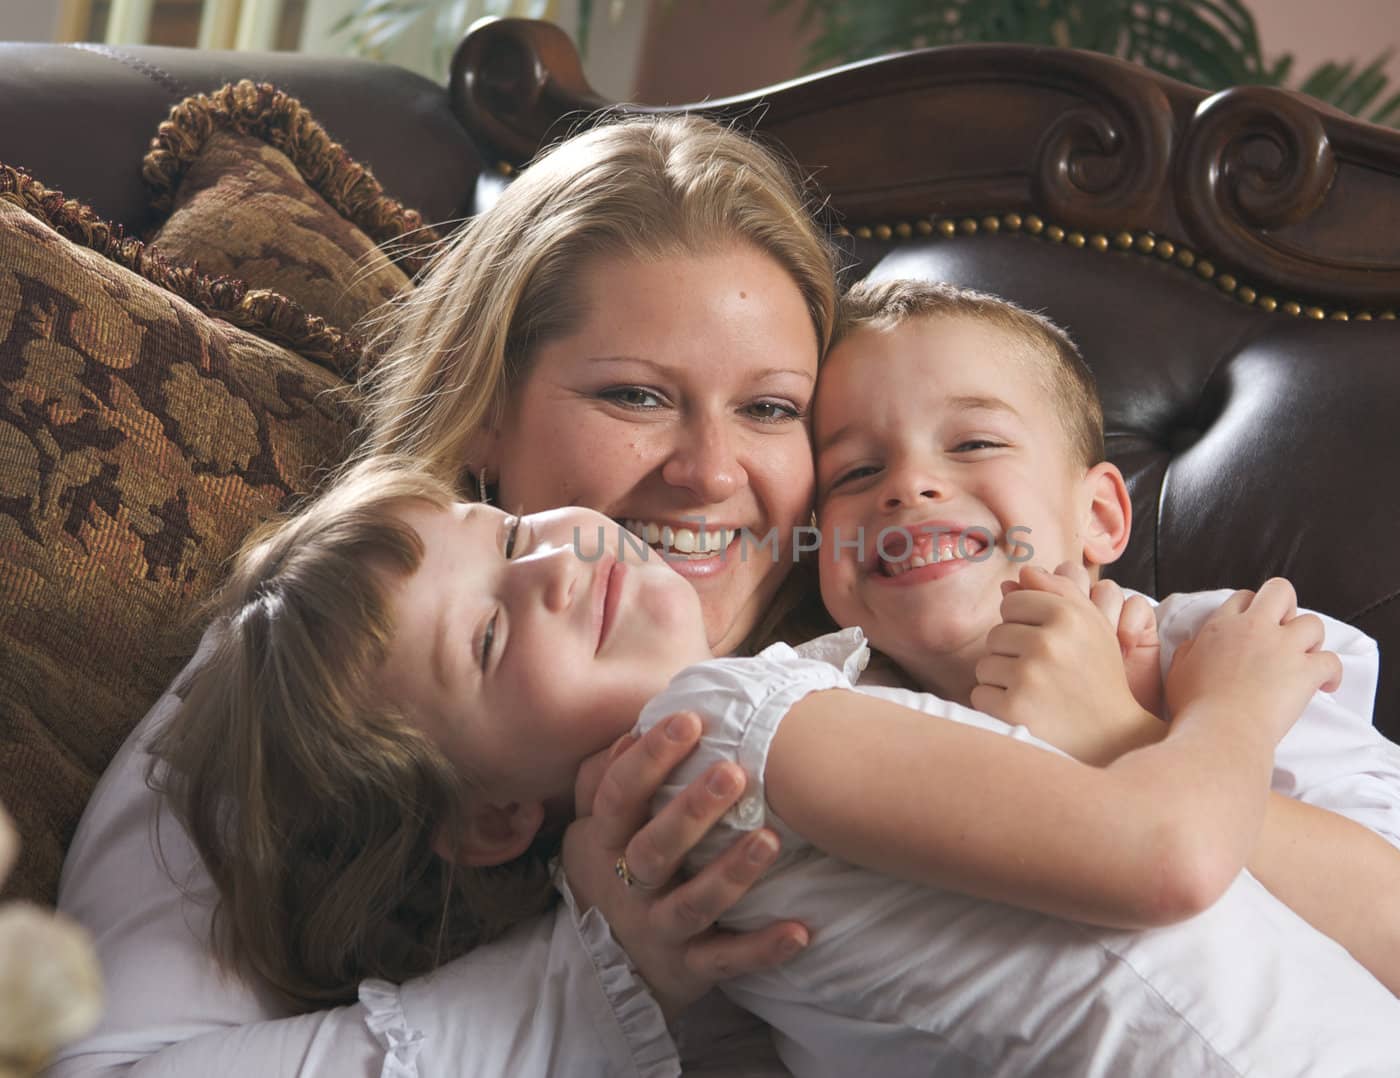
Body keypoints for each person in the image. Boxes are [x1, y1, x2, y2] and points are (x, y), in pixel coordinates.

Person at [149, 454, 1400, 1077]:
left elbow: (1377, 936)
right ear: (494, 818)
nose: (556, 563)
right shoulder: (727, 723)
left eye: (501, 527)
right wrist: (1231, 704)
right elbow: (1165, 857)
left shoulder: (752, 804)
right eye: (486, 634)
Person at [48, 113, 837, 1077]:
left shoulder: (876, 603)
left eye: (769, 409)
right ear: (485, 412)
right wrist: (589, 976)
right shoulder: (328, 661)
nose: (712, 474)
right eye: (635, 396)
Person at [809, 277, 1400, 1075]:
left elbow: (1395, 933)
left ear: (1101, 517)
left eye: (974, 443)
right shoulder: (848, 723)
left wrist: (1118, 733)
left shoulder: (1217, 652)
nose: (908, 486)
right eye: (852, 473)